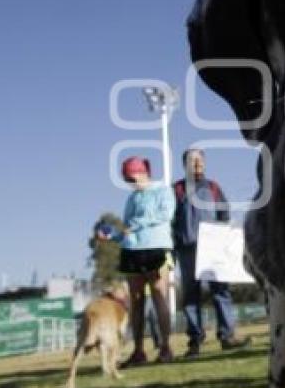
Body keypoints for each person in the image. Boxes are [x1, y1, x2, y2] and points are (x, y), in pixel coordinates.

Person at [98, 156, 176, 365]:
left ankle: (166, 348)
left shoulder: (162, 190)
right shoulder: (132, 199)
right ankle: (138, 351)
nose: (131, 182)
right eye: (127, 179)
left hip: (156, 248)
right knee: (137, 302)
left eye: (132, 177)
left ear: (143, 172)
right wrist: (112, 235)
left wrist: (137, 223)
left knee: (160, 297)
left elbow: (166, 215)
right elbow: (126, 230)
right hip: (132, 251)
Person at [172, 149, 248, 357]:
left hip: (213, 247)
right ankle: (195, 341)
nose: (197, 163)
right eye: (192, 160)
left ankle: (227, 336)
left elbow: (224, 212)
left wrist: (223, 236)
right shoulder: (176, 189)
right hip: (187, 249)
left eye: (200, 160)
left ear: (204, 164)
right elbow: (171, 219)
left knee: (221, 291)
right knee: (190, 295)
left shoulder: (213, 187)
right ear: (184, 164)